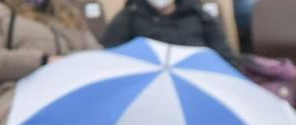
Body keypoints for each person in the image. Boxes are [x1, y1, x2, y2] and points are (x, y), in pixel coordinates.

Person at [101, 0, 236, 63]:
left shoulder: (198, 14)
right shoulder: (129, 16)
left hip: (198, 75)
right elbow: (111, 56)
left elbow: (224, 54)